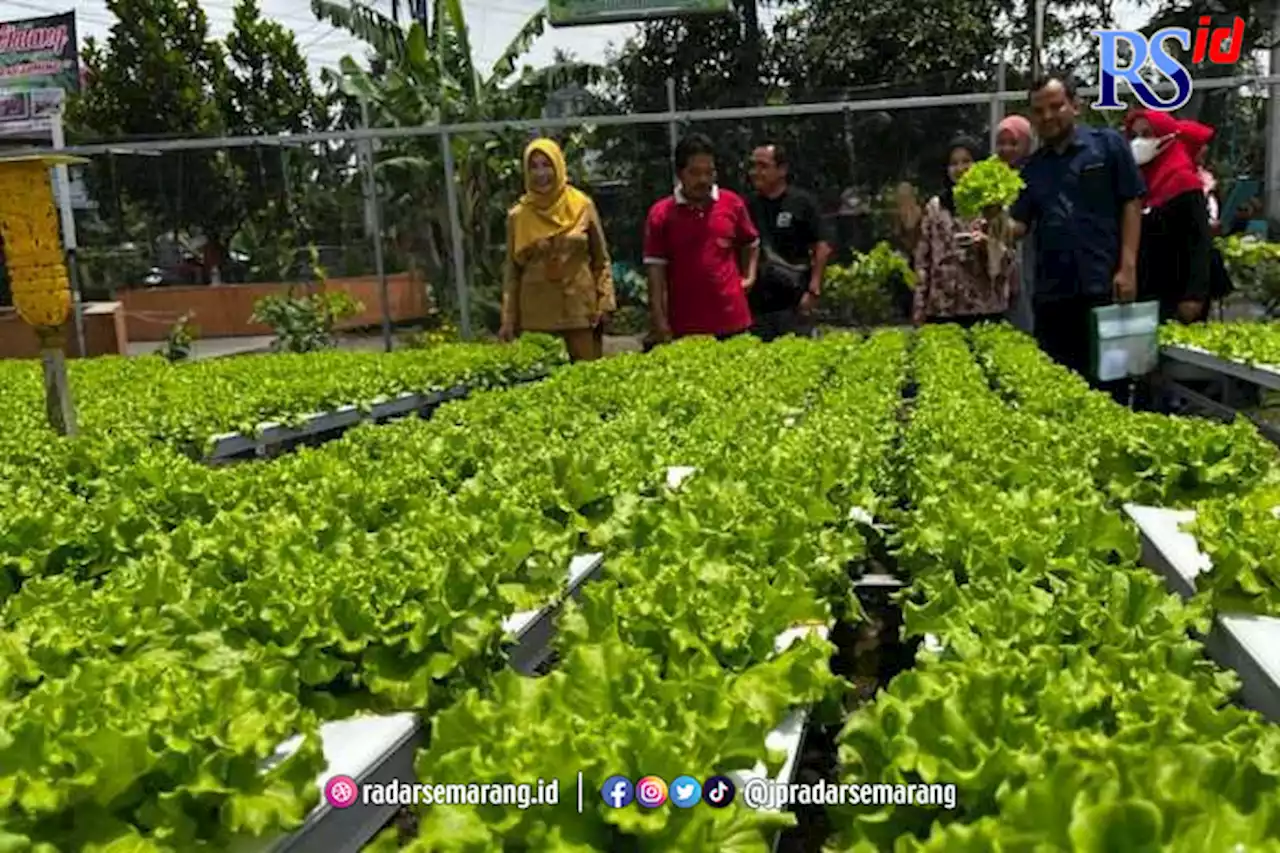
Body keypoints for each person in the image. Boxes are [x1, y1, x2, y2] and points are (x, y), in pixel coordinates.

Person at [1009, 75, 1145, 396]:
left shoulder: (1107, 145)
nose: (1047, 117)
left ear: (1075, 106)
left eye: (1056, 107)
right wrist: (993, 224)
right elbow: (1019, 226)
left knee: (1112, 385)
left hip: (1105, 287)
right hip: (1053, 295)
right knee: (1060, 388)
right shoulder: (1032, 168)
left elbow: (1132, 202)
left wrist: (1128, 267)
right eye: (1039, 111)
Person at [499, 138, 615, 362]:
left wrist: (605, 302)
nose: (541, 173)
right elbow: (512, 273)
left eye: (547, 164)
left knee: (587, 381)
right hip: (536, 319)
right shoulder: (518, 216)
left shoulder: (582, 205)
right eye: (534, 166)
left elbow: (601, 260)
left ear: (559, 166)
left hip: (580, 313)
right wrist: (508, 319)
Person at [644, 133, 759, 343]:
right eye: (695, 173)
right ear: (680, 174)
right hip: (685, 325)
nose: (703, 180)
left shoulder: (732, 203)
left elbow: (751, 242)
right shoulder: (661, 214)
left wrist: (749, 277)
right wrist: (659, 319)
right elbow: (655, 271)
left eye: (709, 172)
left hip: (733, 319)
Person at [912, 136, 1016, 328]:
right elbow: (923, 261)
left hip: (984, 308)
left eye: (967, 161)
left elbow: (1009, 262)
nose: (960, 169)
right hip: (942, 309)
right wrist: (919, 308)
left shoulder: (993, 207)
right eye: (953, 163)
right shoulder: (935, 207)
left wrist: (986, 244)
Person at [1123, 109, 1213, 324]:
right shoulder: (1135, 181)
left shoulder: (1185, 183)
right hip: (1145, 290)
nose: (1139, 142)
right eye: (1134, 136)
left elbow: (1200, 244)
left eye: (1147, 134)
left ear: (1166, 138)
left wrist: (1194, 296)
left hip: (1179, 294)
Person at [746, 142, 833, 341]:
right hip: (758, 306)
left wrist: (814, 288)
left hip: (794, 302)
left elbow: (823, 245)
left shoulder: (801, 202)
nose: (755, 172)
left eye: (763, 166)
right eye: (753, 166)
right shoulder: (747, 206)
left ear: (782, 170)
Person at [995, 115, 1037, 334]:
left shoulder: (1037, 174)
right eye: (1001, 143)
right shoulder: (991, 179)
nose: (1006, 149)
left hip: (1031, 256)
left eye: (1013, 143)